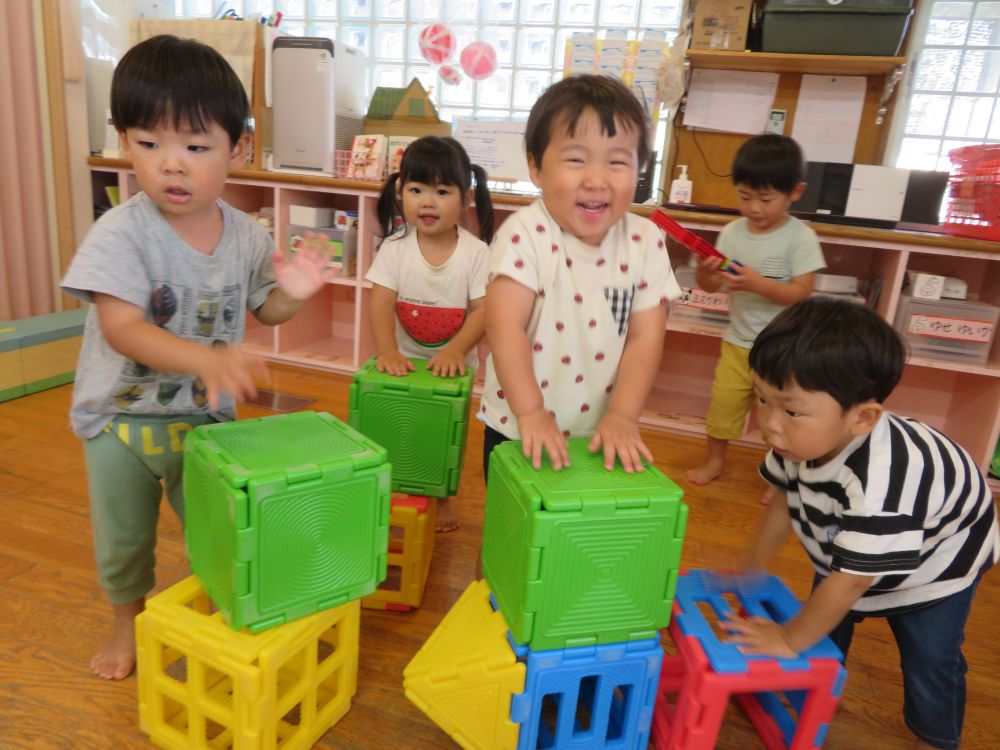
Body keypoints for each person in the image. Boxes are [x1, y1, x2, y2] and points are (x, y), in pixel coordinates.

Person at [61, 35, 335, 681]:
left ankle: (211, 612)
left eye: (194, 146)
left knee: (216, 532)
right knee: (124, 542)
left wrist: (293, 295)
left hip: (206, 424)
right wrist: (205, 360)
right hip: (118, 425)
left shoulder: (247, 236)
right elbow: (122, 326)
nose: (171, 166)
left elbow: (263, 309)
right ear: (125, 142)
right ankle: (126, 621)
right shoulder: (119, 233)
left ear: (236, 150)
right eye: (149, 144)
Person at [725, 297, 998, 750]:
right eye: (761, 399)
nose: (768, 424)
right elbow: (782, 502)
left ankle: (936, 737)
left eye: (789, 409)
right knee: (826, 622)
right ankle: (810, 695)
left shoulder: (879, 488)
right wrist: (753, 564)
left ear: (862, 418)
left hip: (939, 563)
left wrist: (790, 640)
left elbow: (851, 582)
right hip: (849, 545)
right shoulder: (797, 440)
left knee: (930, 658)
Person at [480, 74, 682, 478]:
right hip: (520, 426)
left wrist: (624, 415)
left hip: (600, 430)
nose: (596, 179)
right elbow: (505, 331)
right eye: (576, 159)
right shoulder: (524, 235)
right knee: (517, 525)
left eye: (617, 161)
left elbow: (645, 337)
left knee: (580, 530)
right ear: (536, 168)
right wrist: (532, 412)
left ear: (639, 169)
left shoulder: (646, 240)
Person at [366, 136, 494, 531]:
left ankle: (439, 498)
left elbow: (483, 311)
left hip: (450, 373)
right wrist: (387, 351)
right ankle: (393, 489)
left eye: (442, 191)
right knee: (397, 428)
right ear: (400, 191)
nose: (428, 201)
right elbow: (380, 303)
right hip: (403, 367)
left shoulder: (475, 253)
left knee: (442, 437)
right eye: (417, 189)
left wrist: (455, 351)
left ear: (466, 198)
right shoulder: (394, 248)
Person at [685, 134, 825, 490]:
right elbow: (712, 286)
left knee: (779, 418)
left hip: (782, 350)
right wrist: (705, 270)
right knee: (723, 405)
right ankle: (715, 460)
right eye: (745, 197)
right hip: (737, 342)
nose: (755, 208)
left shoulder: (801, 237)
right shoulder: (731, 232)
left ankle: (777, 478)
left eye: (766, 199)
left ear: (795, 192)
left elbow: (802, 294)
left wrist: (757, 283)